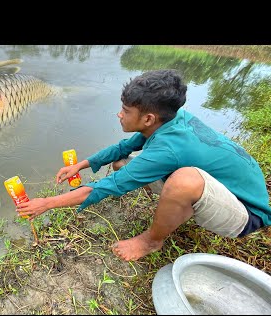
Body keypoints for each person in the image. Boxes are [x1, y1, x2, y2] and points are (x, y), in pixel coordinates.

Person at [15, 69, 271, 261]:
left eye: (125, 110)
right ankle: (176, 204)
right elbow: (123, 148)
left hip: (247, 213)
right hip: (226, 188)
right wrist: (81, 165)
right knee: (122, 163)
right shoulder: (170, 118)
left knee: (184, 180)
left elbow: (106, 187)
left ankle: (151, 241)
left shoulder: (167, 149)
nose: (119, 114)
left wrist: (45, 204)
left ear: (148, 118)